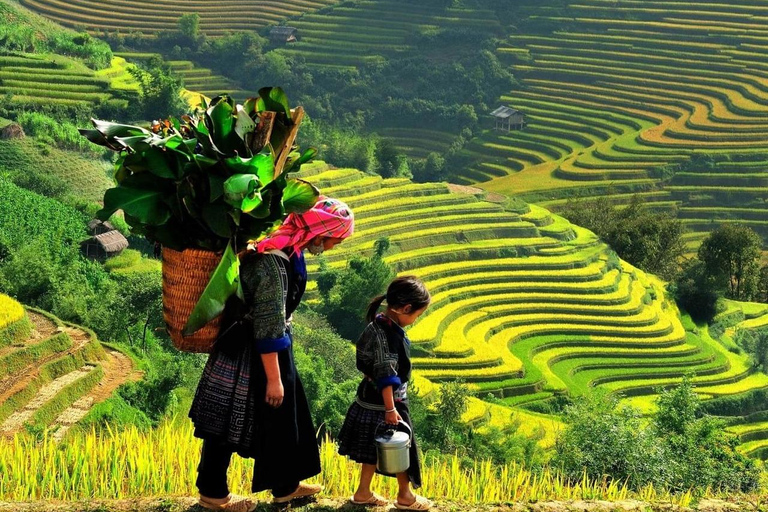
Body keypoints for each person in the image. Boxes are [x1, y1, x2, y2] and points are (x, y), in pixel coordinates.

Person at [188, 196, 355, 511]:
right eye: (334, 240)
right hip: (250, 351)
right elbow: (267, 324)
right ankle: (213, 493)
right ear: (320, 233)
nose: (333, 247)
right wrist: (275, 379)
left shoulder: (289, 249)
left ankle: (286, 485)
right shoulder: (271, 262)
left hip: (270, 346)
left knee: (283, 419)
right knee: (225, 421)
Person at [337, 276, 433, 511]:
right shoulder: (386, 336)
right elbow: (385, 374)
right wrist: (391, 409)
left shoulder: (379, 324)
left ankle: (363, 492)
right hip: (388, 402)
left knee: (373, 448)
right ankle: (405, 496)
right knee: (400, 444)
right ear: (406, 308)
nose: (415, 320)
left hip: (369, 398)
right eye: (416, 315)